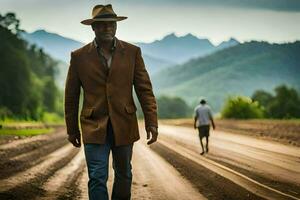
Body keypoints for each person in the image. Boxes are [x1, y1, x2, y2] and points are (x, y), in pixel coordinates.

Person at [64, 4, 158, 200]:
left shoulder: (133, 52)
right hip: (93, 126)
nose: (108, 28)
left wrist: (151, 122)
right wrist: (72, 129)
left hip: (124, 123)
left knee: (124, 173)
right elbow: (71, 97)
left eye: (111, 24)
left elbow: (145, 90)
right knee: (97, 176)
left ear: (116, 26)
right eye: (102, 25)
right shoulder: (79, 57)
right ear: (93, 28)